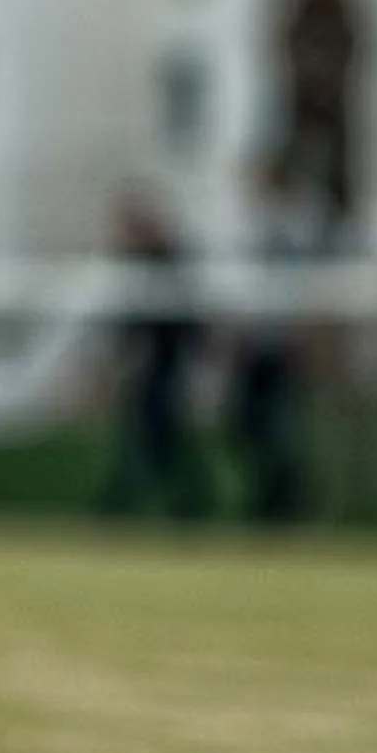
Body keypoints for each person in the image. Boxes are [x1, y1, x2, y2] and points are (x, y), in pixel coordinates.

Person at [97, 191, 211, 520]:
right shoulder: (136, 263)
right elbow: (128, 323)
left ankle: (181, 501)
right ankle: (177, 502)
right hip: (150, 368)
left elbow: (187, 322)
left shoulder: (170, 261)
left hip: (167, 366)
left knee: (159, 439)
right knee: (151, 439)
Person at [226, 163, 319, 525]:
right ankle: (271, 496)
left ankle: (289, 501)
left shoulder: (292, 230)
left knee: (281, 427)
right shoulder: (249, 227)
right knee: (248, 427)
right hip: (253, 346)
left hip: (282, 346)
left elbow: (301, 289)